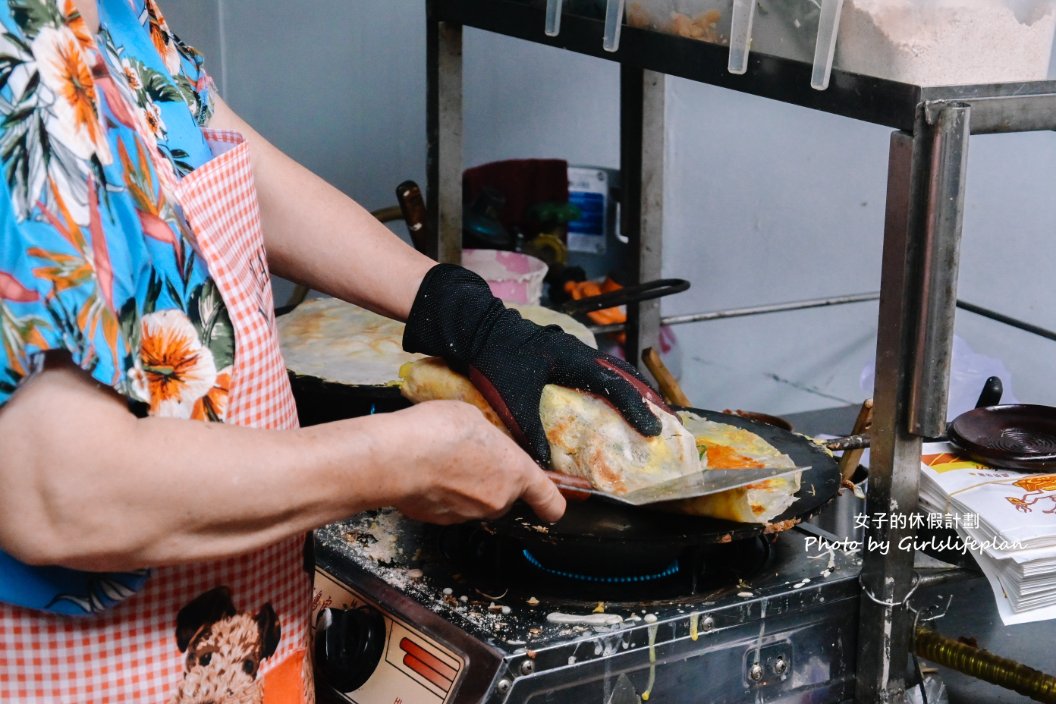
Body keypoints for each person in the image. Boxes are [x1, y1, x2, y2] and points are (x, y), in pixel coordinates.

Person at [0, 1, 663, 701]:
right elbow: (59, 494)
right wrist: (399, 461)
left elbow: (201, 145)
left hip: (246, 645)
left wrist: (466, 315)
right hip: (93, 675)